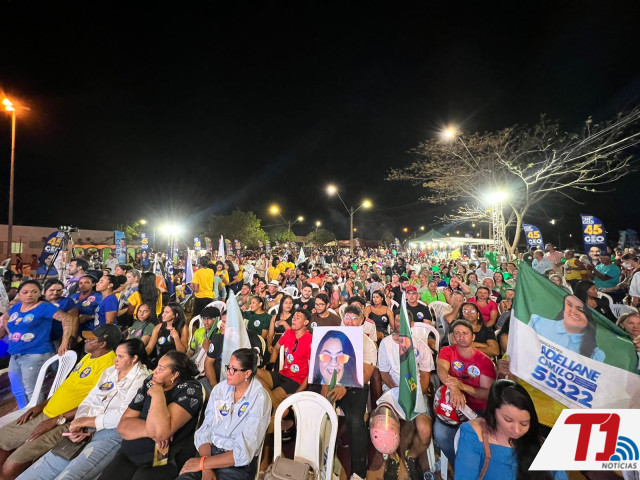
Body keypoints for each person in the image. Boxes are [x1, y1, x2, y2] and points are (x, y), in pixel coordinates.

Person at [18, 339, 152, 480]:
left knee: (70, 476)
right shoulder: (110, 372)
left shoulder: (142, 379)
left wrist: (85, 421)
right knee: (41, 470)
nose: (115, 360)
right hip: (86, 425)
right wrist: (78, 423)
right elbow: (89, 400)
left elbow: (123, 416)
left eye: (120, 356)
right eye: (116, 355)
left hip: (111, 430)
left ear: (134, 358)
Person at [0, 325, 121, 479]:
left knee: (10, 467)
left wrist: (57, 420)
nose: (85, 340)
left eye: (91, 339)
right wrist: (40, 405)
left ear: (102, 344)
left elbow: (96, 405)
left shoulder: (109, 366)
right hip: (46, 412)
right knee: (2, 440)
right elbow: (66, 388)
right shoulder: (88, 357)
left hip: (64, 421)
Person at [98, 351, 203, 480]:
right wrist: (152, 431)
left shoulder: (190, 390)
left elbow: (161, 433)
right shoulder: (150, 381)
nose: (154, 371)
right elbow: (123, 426)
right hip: (130, 452)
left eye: (161, 368)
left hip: (162, 461)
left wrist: (157, 394)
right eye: (157, 366)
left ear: (175, 374)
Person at [177, 349, 270, 480]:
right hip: (209, 453)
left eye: (234, 369)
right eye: (228, 367)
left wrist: (203, 464)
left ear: (247, 373)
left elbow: (244, 451)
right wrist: (205, 467)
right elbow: (206, 429)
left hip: (237, 464)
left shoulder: (259, 398)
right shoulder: (220, 390)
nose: (228, 372)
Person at [455, 379, 567, 480]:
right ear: (493, 412)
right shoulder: (474, 433)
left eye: (524, 423)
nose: (517, 430)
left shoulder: (540, 443)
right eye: (508, 420)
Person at [0, 280, 74, 409]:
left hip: (36, 352)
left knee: (32, 390)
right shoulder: (17, 307)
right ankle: (22, 413)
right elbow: (6, 318)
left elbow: (66, 318)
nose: (29, 295)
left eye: (34, 292)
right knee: (17, 389)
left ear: (40, 293)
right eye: (25, 292)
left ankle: (33, 415)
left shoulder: (44, 307)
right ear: (19, 294)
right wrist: (11, 334)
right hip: (15, 352)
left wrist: (65, 341)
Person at [377, 312, 433, 476]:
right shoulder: (386, 344)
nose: (399, 324)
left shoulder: (421, 346)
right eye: (397, 320)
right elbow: (384, 374)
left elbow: (425, 376)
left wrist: (414, 395)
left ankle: (412, 455)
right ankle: (392, 457)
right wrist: (398, 391)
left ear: (411, 324)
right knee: (382, 425)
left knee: (424, 431)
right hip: (392, 390)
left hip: (416, 393)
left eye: (404, 321)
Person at [434, 320, 497, 464]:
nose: (461, 337)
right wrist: (454, 387)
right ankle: (458, 466)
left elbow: (487, 393)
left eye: (465, 333)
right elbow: (441, 370)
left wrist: (462, 386)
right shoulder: (447, 351)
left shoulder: (484, 361)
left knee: (476, 441)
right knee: (441, 435)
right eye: (457, 333)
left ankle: (474, 466)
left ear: (473, 337)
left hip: (477, 410)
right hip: (452, 405)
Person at [257, 309, 312, 414]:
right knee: (254, 373)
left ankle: (276, 411)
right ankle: (276, 406)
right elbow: (276, 349)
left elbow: (311, 373)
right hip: (282, 374)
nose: (294, 319)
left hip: (296, 381)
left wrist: (297, 394)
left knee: (265, 400)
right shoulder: (288, 333)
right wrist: (271, 365)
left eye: (298, 317)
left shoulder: (310, 340)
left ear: (306, 322)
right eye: (294, 316)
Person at [529, 294, 605, 361]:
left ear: (589, 317)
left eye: (580, 310)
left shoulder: (596, 355)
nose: (574, 311)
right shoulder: (537, 322)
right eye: (569, 305)